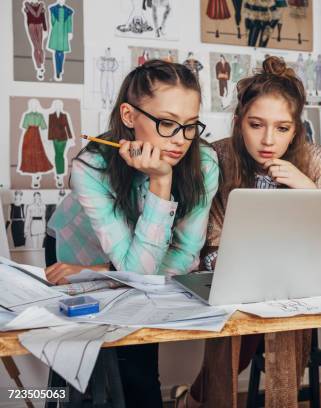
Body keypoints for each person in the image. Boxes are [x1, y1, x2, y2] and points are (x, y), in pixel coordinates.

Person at [45, 59, 219, 408]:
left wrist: (161, 180)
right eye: (167, 123)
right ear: (128, 116)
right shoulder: (90, 168)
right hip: (75, 257)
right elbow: (138, 272)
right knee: (77, 373)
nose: (181, 140)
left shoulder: (205, 163)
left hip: (128, 267)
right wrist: (110, 272)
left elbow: (184, 259)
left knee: (137, 368)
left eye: (189, 126)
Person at [173, 56, 321, 407]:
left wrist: (308, 189)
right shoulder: (215, 157)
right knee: (243, 328)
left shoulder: (315, 161)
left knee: (281, 321)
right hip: (231, 281)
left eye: (282, 128)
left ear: (296, 129)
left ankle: (194, 400)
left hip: (298, 283)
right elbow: (206, 241)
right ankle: (198, 400)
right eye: (256, 125)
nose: (268, 140)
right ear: (238, 123)